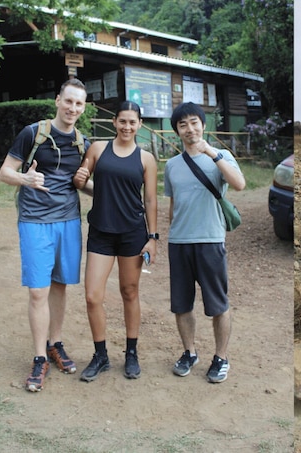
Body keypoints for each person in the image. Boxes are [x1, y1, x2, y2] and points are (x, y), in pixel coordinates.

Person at [0, 78, 91, 392]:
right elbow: (4, 172)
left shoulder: (83, 142)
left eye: (78, 104)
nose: (72, 108)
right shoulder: (33, 133)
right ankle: (40, 358)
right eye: (68, 101)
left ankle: (55, 343)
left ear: (83, 107)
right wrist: (26, 178)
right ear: (57, 100)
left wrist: (87, 184)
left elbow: (88, 186)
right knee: (38, 291)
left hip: (68, 222)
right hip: (35, 221)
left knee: (60, 285)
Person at [72, 101, 158, 381]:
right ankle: (101, 355)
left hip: (133, 233)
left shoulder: (146, 159)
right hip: (101, 232)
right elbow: (81, 181)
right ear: (114, 123)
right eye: (122, 121)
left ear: (140, 125)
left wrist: (153, 238)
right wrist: (79, 177)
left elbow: (151, 199)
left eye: (132, 122)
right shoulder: (97, 149)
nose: (127, 127)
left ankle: (131, 353)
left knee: (130, 291)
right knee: (92, 295)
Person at [163, 102, 245, 383]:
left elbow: (239, 184)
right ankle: (189, 352)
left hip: (210, 240)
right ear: (176, 130)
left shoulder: (220, 155)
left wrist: (211, 152)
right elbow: (173, 205)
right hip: (179, 242)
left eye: (194, 122)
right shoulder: (172, 166)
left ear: (203, 124)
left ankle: (221, 358)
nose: (190, 128)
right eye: (183, 124)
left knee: (218, 304)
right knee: (181, 304)